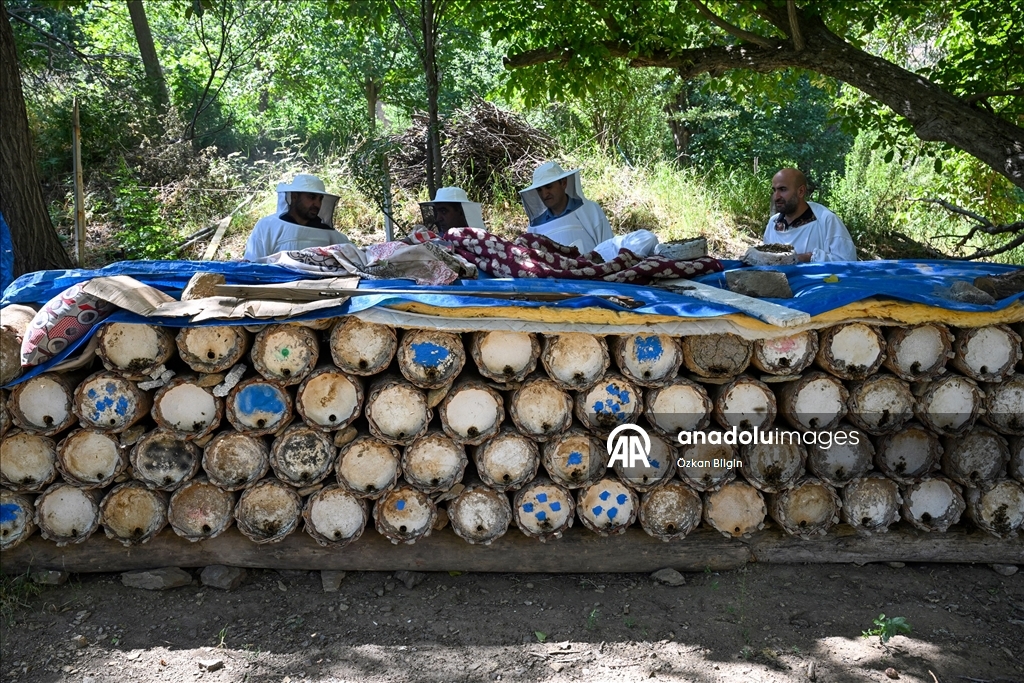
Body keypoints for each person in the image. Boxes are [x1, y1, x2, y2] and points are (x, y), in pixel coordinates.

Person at [244, 174, 352, 260]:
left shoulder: (328, 232)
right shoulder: (267, 226)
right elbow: (252, 265)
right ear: (294, 197)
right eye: (312, 197)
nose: (317, 204)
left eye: (320, 199)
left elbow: (353, 256)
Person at [763, 168, 857, 262]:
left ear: (801, 191)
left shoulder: (826, 220)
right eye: (774, 190)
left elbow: (848, 261)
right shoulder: (773, 223)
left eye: (782, 189)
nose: (776, 197)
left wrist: (808, 258)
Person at [519, 161, 612, 253]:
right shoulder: (535, 227)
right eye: (539, 190)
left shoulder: (590, 210)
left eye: (548, 187)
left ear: (563, 183)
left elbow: (608, 246)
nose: (544, 194)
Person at [418, 187, 486, 231]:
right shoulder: (437, 240)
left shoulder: (483, 242)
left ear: (461, 212)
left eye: (443, 211)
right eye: (437, 212)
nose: (438, 218)